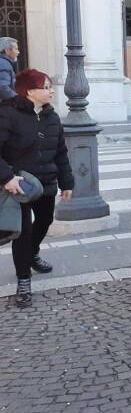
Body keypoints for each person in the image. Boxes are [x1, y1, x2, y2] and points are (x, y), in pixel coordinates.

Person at [0, 70, 73, 308]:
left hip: (47, 182)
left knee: (44, 221)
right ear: (30, 91)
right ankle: (23, 280)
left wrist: (67, 182)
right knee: (22, 232)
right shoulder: (8, 114)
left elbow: (61, 152)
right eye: (46, 86)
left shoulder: (52, 117)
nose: (52, 90)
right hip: (19, 184)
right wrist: (7, 178)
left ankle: (32, 254)